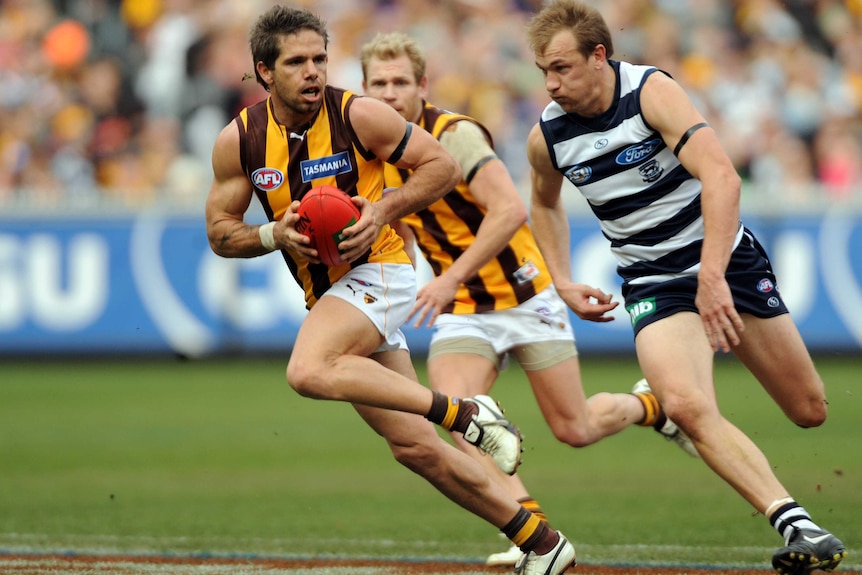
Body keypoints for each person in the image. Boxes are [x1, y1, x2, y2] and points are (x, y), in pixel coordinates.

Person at [204, 6, 575, 575]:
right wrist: (272, 233)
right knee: (416, 449)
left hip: (381, 271)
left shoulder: (359, 114)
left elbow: (441, 166)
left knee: (307, 369)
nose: (312, 71)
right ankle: (543, 544)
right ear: (263, 70)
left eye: (320, 58)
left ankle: (464, 412)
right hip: (330, 292)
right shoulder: (240, 141)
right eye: (296, 62)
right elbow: (220, 234)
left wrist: (382, 211)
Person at [524, 2, 848, 574]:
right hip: (652, 281)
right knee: (690, 405)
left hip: (724, 259)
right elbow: (544, 203)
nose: (551, 83)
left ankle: (659, 403)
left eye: (562, 68)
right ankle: (798, 525)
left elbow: (722, 175)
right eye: (543, 70)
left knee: (809, 408)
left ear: (599, 56)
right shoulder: (547, 135)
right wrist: (563, 279)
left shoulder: (650, 91)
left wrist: (714, 275)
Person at [359, 31, 696, 571]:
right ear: (365, 88)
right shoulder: (373, 149)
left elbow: (511, 210)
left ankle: (650, 406)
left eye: (401, 81)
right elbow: (408, 222)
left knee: (575, 428)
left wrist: (447, 279)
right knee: (459, 416)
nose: (391, 92)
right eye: (380, 83)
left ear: (423, 85)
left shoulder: (454, 135)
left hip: (523, 294)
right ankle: (535, 536)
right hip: (465, 309)